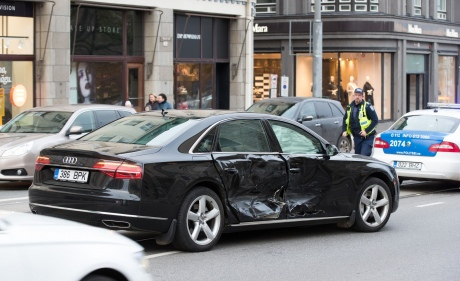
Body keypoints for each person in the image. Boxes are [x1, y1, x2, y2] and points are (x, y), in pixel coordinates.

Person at [342, 87, 379, 156]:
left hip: (367, 138)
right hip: (357, 137)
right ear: (354, 96)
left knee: (364, 157)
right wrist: (344, 130)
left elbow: (375, 120)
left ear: (363, 96)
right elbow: (345, 119)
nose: (357, 97)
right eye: (356, 95)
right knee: (358, 159)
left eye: (359, 95)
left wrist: (366, 131)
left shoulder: (367, 107)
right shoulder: (350, 107)